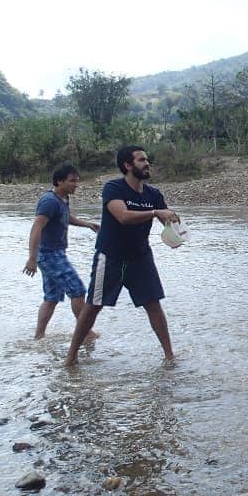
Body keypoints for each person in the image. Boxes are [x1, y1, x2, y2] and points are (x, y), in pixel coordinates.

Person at [65, 145, 180, 365]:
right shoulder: (113, 188)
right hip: (111, 256)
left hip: (140, 257)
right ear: (127, 165)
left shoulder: (153, 194)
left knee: (153, 304)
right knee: (93, 305)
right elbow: (123, 216)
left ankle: (169, 356)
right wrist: (156, 212)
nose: (147, 164)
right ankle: (71, 357)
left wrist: (173, 227)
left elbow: (165, 222)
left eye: (147, 160)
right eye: (141, 160)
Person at [23, 163, 99, 339]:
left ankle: (38, 337)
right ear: (59, 181)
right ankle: (86, 333)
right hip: (49, 255)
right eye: (72, 181)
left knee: (52, 297)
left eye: (77, 181)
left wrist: (87, 224)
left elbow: (66, 217)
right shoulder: (49, 201)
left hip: (55, 254)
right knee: (78, 290)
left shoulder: (62, 199)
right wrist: (32, 259)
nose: (76, 185)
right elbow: (36, 227)